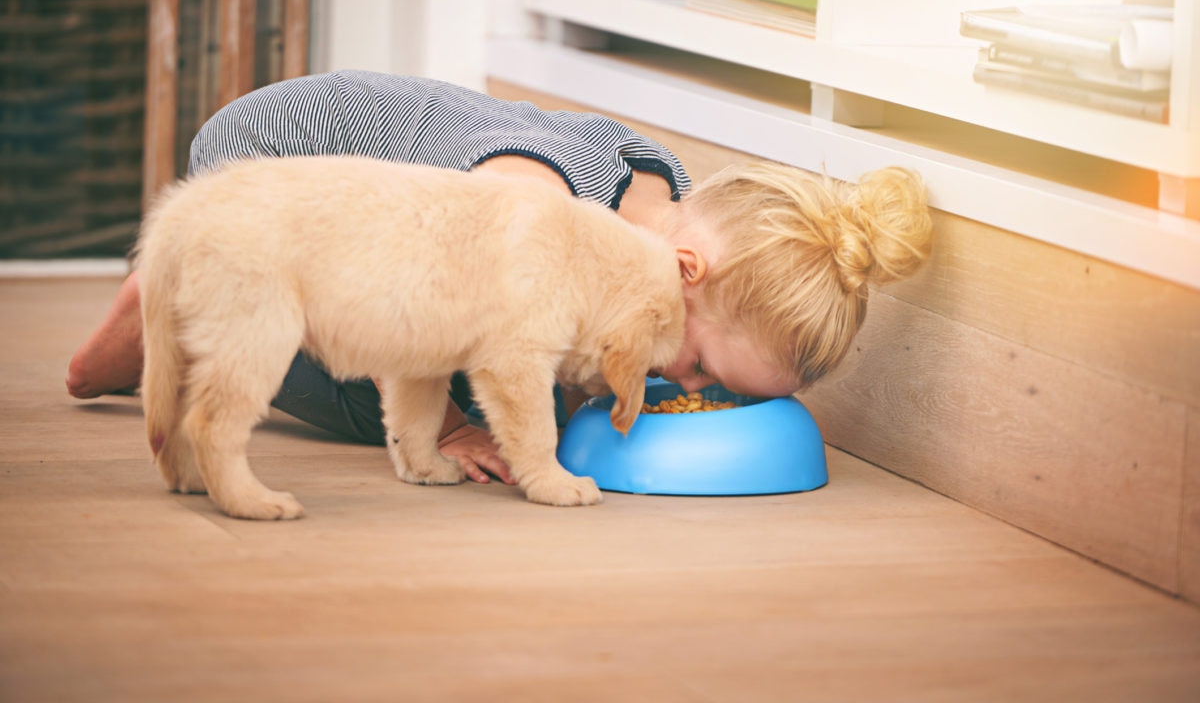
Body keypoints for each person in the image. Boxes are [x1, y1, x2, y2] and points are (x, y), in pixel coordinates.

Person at [67, 70, 933, 485]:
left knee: (516, 383)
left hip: (361, 236)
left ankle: (200, 297)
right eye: (700, 365)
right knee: (386, 382)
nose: (685, 384)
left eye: (716, 392)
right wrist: (445, 428)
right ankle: (172, 299)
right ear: (683, 271)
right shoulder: (536, 196)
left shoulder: (662, 206)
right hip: (283, 172)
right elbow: (414, 291)